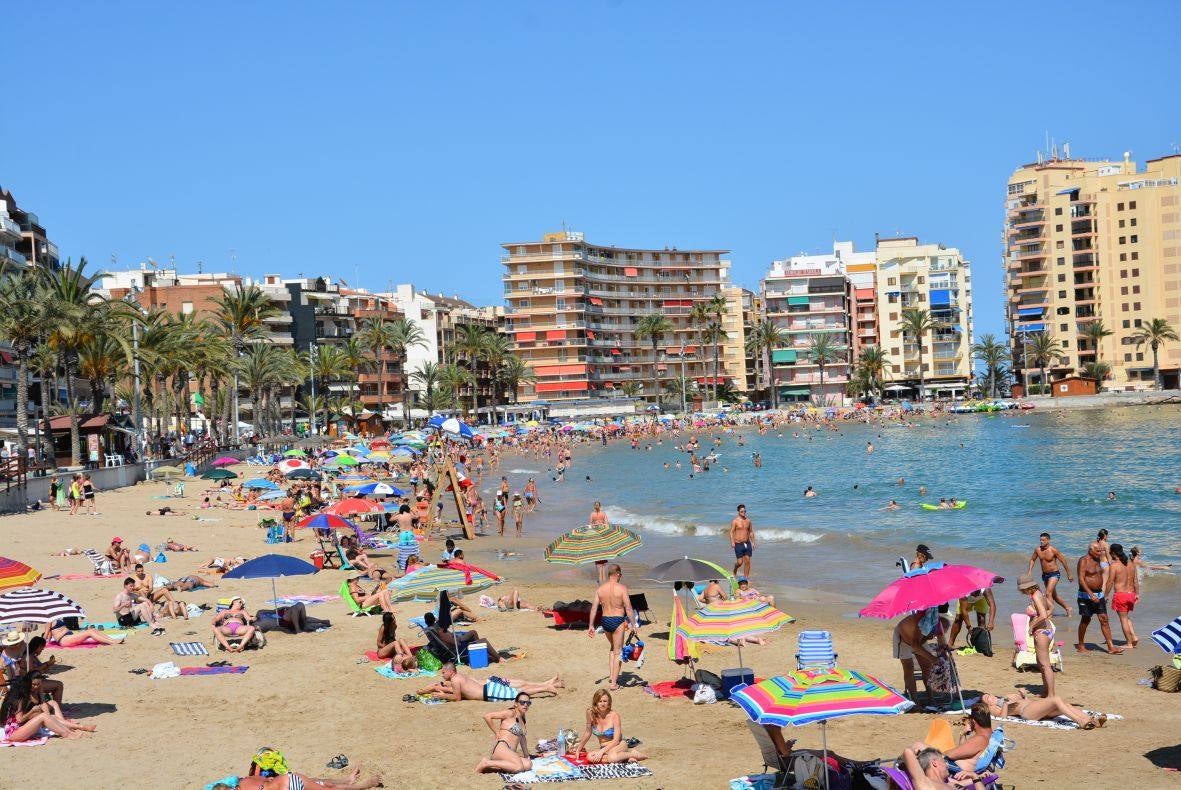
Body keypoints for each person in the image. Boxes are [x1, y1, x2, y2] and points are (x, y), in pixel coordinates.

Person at [0, 673, 95, 742]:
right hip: (13, 733)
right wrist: (32, 711)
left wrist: (37, 711)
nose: (35, 687)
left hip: (20, 729)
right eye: (33, 684)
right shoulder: (19, 700)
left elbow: (44, 709)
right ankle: (67, 734)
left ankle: (75, 729)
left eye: (37, 684)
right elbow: (19, 720)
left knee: (47, 716)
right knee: (43, 716)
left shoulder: (28, 694)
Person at [587, 563, 637, 691]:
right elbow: (629, 608)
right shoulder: (622, 588)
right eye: (621, 574)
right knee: (618, 652)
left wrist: (591, 625)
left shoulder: (600, 589)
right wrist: (633, 624)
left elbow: (593, 608)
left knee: (612, 648)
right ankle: (614, 684)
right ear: (618, 574)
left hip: (605, 621)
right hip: (617, 620)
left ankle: (611, 675)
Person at [420, 661, 562, 701]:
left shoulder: (455, 681)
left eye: (443, 672)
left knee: (518, 693)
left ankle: (546, 687)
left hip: (489, 690)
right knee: (520, 687)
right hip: (490, 684)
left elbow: (456, 697)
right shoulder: (460, 677)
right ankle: (548, 684)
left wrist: (442, 694)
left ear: (451, 672)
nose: (442, 675)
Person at [574, 689, 647, 764]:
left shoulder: (614, 715)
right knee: (590, 757)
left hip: (618, 745)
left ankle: (633, 754)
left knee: (612, 758)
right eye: (600, 701)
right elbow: (588, 732)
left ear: (609, 703)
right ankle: (623, 758)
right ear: (596, 702)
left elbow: (616, 740)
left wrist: (601, 752)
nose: (602, 704)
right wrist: (579, 749)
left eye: (605, 701)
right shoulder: (590, 713)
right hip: (604, 748)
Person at [1076, 542, 1124, 654]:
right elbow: (1081, 579)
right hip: (1085, 595)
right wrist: (1091, 595)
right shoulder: (1083, 560)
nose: (1100, 553)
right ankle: (1081, 645)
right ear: (1090, 550)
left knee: (1104, 619)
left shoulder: (1098, 559)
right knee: (1086, 620)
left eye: (1101, 551)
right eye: (1097, 551)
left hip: (1099, 594)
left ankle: (1111, 647)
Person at [1014, 574, 1057, 698]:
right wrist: (1040, 620)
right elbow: (1051, 608)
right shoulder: (1039, 593)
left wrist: (1033, 626)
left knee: (1045, 665)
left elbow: (1043, 615)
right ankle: (1046, 692)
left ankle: (1051, 695)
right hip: (1046, 630)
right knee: (1041, 664)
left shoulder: (1036, 596)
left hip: (1042, 632)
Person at [980, 689, 1106, 729]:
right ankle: (1080, 721)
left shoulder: (1005, 695)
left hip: (1034, 706)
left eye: (989, 694)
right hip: (1027, 712)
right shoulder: (993, 708)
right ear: (987, 704)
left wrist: (1022, 694)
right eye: (987, 698)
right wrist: (1006, 704)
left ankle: (1091, 720)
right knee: (1056, 699)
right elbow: (1003, 717)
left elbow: (1021, 699)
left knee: (1064, 705)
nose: (990, 696)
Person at [893, 608, 946, 701]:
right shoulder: (921, 622)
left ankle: (930, 698)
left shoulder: (936, 622)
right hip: (903, 638)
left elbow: (941, 642)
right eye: (933, 635)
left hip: (919, 639)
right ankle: (914, 700)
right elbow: (915, 645)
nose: (933, 637)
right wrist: (932, 658)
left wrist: (943, 652)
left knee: (927, 667)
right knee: (909, 668)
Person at [474, 692, 533, 774]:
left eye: (528, 703)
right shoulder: (510, 713)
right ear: (516, 704)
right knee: (519, 767)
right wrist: (496, 732)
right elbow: (487, 716)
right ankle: (487, 763)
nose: (525, 705)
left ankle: (493, 767)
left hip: (510, 752)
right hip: (502, 747)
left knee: (528, 764)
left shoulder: (522, 718)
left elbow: (522, 738)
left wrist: (526, 755)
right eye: (522, 702)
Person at [422, 612, 500, 664]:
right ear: (434, 619)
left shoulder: (430, 630)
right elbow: (452, 641)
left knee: (473, 633)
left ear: (426, 622)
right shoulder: (439, 630)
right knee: (482, 640)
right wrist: (457, 638)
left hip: (449, 648)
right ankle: (498, 658)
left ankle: (479, 653)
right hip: (455, 647)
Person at [901, 745, 989, 789]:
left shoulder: (950, 783)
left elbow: (968, 782)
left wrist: (975, 776)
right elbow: (907, 752)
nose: (947, 765)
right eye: (944, 761)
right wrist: (916, 750)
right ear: (934, 763)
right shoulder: (925, 783)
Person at [1027, 532, 1073, 616]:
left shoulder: (1053, 550)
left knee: (1048, 593)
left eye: (1043, 540)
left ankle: (1049, 613)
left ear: (1048, 540)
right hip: (1045, 575)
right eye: (1040, 540)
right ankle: (1067, 607)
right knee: (1054, 596)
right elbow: (1032, 559)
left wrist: (1069, 574)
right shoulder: (1038, 550)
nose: (1041, 542)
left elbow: (1063, 561)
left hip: (1054, 574)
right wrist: (1030, 571)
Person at [1106, 543, 1138, 649]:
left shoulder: (1114, 565)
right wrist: (1137, 594)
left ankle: (1129, 643)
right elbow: (1136, 581)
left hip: (1121, 595)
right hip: (1131, 594)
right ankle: (1133, 636)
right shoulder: (1131, 563)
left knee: (1123, 619)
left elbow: (1110, 582)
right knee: (1126, 616)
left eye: (1110, 552)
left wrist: (1106, 595)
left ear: (1114, 553)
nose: (1109, 554)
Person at [943, 703, 994, 769]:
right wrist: (963, 734)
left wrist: (941, 753)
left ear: (973, 721)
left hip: (956, 771)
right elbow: (965, 748)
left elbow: (951, 755)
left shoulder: (980, 739)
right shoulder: (990, 735)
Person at [730, 503, 754, 578]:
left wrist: (753, 542)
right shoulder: (735, 521)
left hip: (747, 543)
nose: (743, 513)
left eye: (744, 511)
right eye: (742, 511)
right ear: (738, 512)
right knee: (740, 563)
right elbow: (731, 532)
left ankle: (746, 578)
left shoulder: (748, 521)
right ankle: (735, 569)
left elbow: (751, 532)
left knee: (747, 561)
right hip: (738, 544)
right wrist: (732, 542)